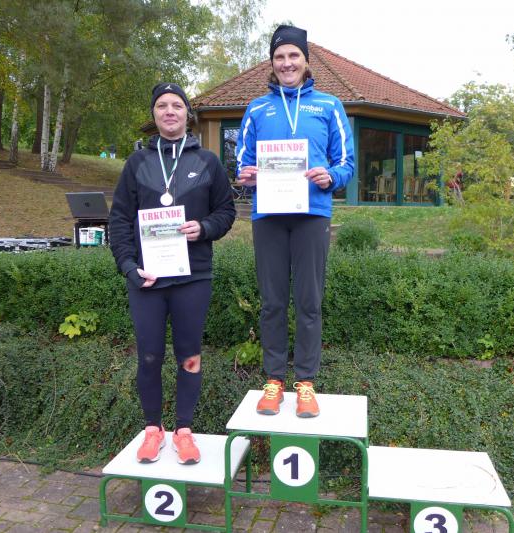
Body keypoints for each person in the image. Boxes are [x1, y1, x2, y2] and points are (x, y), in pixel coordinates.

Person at [109, 83, 235, 464]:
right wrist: (128, 267)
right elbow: (119, 220)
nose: (169, 111)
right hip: (147, 279)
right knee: (149, 357)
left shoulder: (207, 161)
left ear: (187, 114)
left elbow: (226, 211)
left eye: (176, 105)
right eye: (162, 105)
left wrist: (205, 228)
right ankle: (153, 429)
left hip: (193, 277)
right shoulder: (137, 164)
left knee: (189, 356)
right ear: (154, 114)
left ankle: (183, 430)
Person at [236, 25, 355, 418]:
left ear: (305, 60)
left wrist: (330, 177)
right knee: (272, 302)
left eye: (293, 56)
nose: (286, 63)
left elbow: (346, 163)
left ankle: (305, 382)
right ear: (271, 63)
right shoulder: (257, 109)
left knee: (308, 300)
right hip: (269, 215)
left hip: (312, 215)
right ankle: (273, 381)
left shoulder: (329, 106)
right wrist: (246, 175)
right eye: (279, 57)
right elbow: (242, 162)